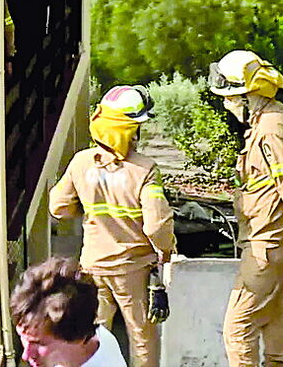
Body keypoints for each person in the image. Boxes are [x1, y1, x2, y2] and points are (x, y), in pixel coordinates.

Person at [208, 51, 283, 367]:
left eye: (233, 96)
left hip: (266, 243)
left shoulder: (269, 130)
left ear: (249, 95)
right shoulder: (276, 120)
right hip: (275, 241)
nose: (228, 103)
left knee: (238, 327)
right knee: (273, 316)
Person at [49, 85, 175, 367]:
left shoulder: (81, 162)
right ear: (130, 130)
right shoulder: (145, 169)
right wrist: (166, 251)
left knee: (94, 336)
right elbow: (156, 226)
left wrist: (87, 204)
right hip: (133, 269)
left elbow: (57, 207)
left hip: (92, 266)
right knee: (142, 336)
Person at [11, 257, 126, 367]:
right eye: (23, 337)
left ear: (77, 338)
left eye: (40, 343)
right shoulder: (100, 336)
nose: (26, 355)